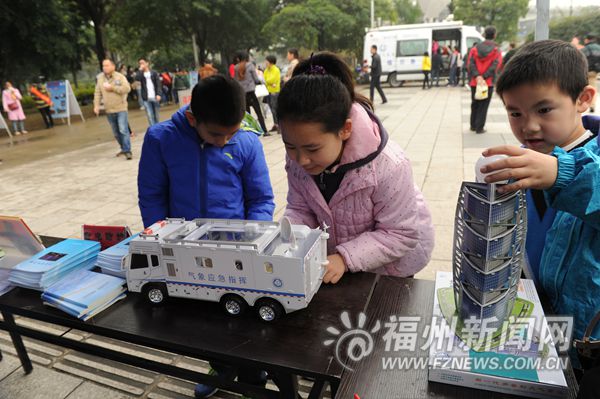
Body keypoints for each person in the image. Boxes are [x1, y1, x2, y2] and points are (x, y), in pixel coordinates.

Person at [137, 75, 275, 398]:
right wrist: (162, 241)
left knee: (245, 318)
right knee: (204, 320)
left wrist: (252, 241)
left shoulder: (247, 141)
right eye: (216, 134)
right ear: (192, 117)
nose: (225, 141)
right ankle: (220, 367)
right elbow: (152, 196)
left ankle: (255, 377)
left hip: (237, 251)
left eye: (233, 132)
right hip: (183, 252)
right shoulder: (161, 139)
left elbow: (261, 199)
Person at [480, 40, 600, 370]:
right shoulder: (519, 163)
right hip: (535, 328)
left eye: (544, 110)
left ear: (583, 99)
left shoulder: (589, 161)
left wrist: (561, 174)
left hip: (588, 339)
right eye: (515, 112)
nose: (529, 126)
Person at [278, 52, 434, 283]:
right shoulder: (299, 155)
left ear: (345, 129)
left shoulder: (390, 165)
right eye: (290, 146)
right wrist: (288, 234)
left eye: (312, 149)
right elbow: (301, 208)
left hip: (391, 266)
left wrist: (344, 258)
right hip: (338, 261)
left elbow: (400, 233)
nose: (301, 160)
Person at [94, 59, 132, 159]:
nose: (104, 68)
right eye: (103, 66)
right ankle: (123, 148)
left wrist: (113, 88)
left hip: (121, 107)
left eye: (107, 65)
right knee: (116, 132)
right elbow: (97, 93)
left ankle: (128, 151)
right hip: (109, 109)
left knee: (123, 130)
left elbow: (127, 89)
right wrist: (96, 105)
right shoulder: (100, 78)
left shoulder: (120, 76)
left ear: (113, 66)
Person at [468, 26, 502, 134]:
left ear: (484, 35)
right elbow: (496, 65)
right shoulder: (496, 50)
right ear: (494, 35)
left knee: (475, 103)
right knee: (484, 105)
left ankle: (473, 125)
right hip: (488, 82)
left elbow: (471, 63)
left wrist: (477, 76)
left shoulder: (475, 48)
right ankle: (479, 127)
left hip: (475, 81)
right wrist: (485, 77)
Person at [234, 51, 268, 134]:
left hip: (242, 94)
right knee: (258, 112)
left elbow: (235, 81)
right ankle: (265, 131)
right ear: (247, 58)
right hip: (251, 93)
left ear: (239, 58)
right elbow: (256, 79)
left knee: (247, 115)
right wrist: (260, 82)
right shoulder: (250, 65)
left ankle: (250, 133)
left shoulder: (236, 68)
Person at [136, 57, 162, 127]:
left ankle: (157, 128)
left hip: (155, 96)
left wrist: (159, 94)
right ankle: (153, 130)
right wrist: (140, 70)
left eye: (143, 63)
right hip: (146, 98)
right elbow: (137, 78)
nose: (141, 65)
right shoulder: (141, 74)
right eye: (140, 63)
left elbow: (158, 84)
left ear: (147, 63)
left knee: (156, 115)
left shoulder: (154, 73)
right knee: (150, 116)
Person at [581, 34, 600, 113]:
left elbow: (580, 58)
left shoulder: (585, 49)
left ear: (587, 40)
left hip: (585, 71)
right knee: (592, 88)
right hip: (595, 71)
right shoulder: (598, 48)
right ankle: (592, 106)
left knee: (582, 88)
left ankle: (581, 104)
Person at [263, 55, 281, 133]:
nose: (265, 62)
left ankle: (279, 126)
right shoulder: (267, 70)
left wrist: (268, 82)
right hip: (268, 91)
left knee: (275, 109)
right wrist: (269, 83)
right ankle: (275, 124)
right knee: (271, 108)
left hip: (275, 91)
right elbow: (265, 79)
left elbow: (272, 79)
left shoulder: (275, 69)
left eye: (266, 61)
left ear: (270, 61)